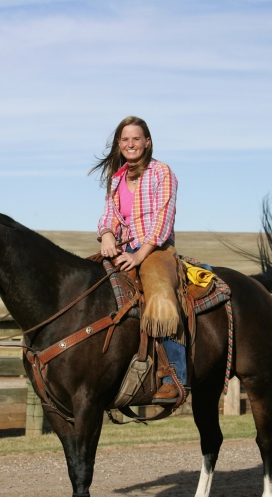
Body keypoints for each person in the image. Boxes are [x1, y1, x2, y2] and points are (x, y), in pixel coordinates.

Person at [90, 116, 188, 401]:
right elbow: (109, 214)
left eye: (136, 138)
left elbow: (163, 217)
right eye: (125, 139)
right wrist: (107, 234)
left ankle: (175, 376)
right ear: (119, 145)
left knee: (159, 292)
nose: (130, 144)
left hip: (155, 249)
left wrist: (139, 255)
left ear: (147, 142)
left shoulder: (161, 172)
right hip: (122, 249)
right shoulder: (117, 177)